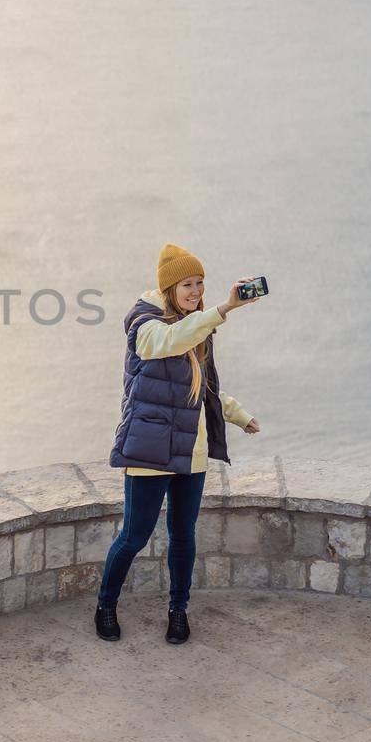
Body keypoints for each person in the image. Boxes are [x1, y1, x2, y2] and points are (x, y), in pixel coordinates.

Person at [97, 242, 263, 645]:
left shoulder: (197, 325)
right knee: (134, 537)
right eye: (187, 284)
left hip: (191, 451)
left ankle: (178, 609)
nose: (195, 291)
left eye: (200, 283)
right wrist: (221, 310)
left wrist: (238, 415)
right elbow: (168, 342)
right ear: (169, 288)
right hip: (150, 451)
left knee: (183, 535)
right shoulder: (145, 326)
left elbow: (201, 387)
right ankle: (105, 605)